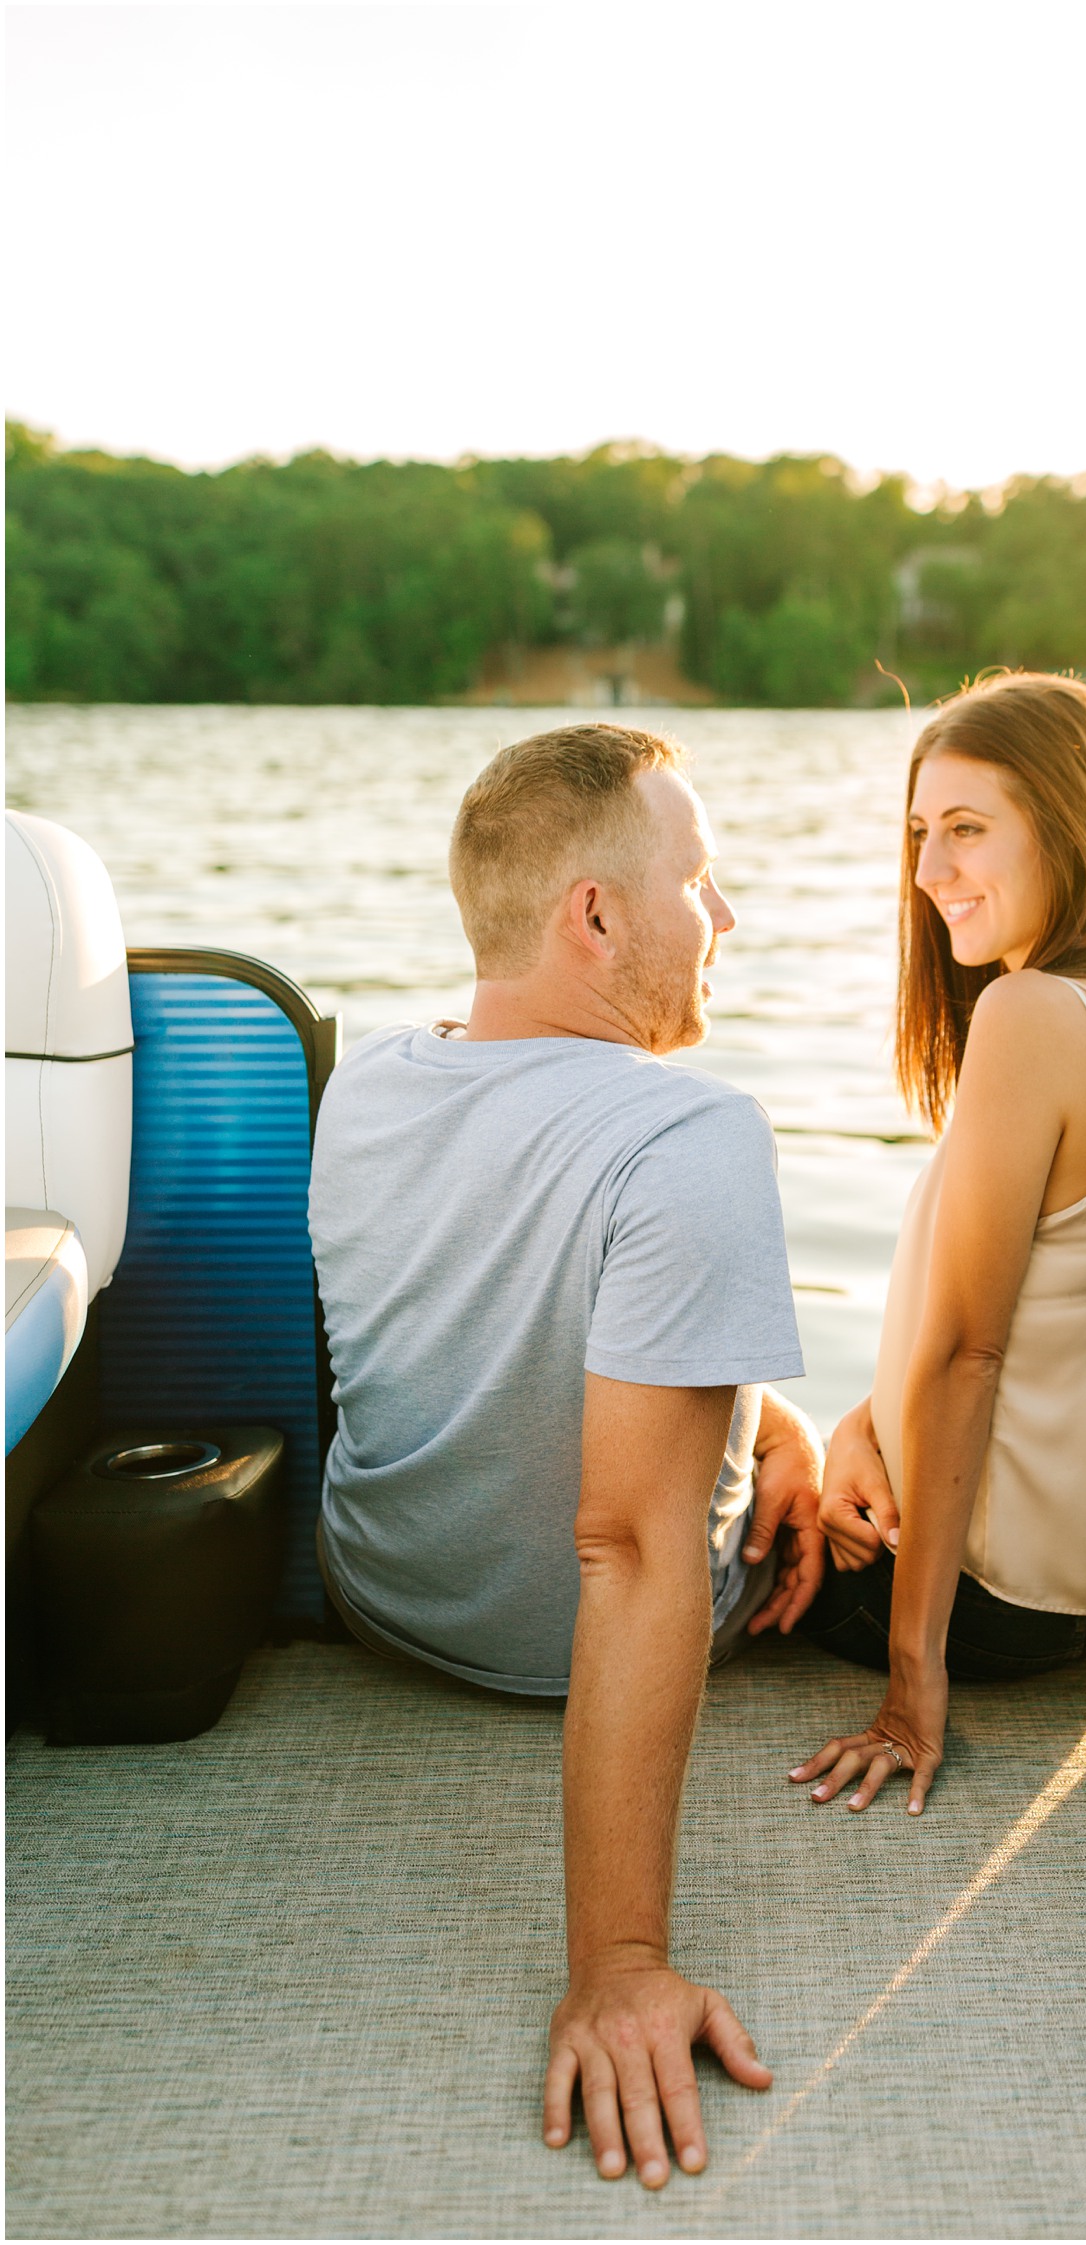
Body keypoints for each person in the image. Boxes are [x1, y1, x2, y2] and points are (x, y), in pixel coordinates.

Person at [308, 723, 826, 2190]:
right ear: (593, 915)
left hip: (382, 1602)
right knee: (881, 1491)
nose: (724, 917)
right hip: (560, 1642)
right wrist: (618, 1963)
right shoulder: (694, 1133)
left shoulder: (363, 1084)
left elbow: (496, 1334)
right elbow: (637, 1549)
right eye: (700, 880)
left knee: (782, 1434)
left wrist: (760, 1423)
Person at [791, 673, 1086, 1815]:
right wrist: (863, 1426)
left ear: (1070, 822)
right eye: (918, 833)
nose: (929, 871)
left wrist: (910, 1682)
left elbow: (970, 1357)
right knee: (807, 1445)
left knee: (710, 1474)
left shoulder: (1034, 1015)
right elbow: (1070, 1325)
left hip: (1001, 1604)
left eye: (968, 830)